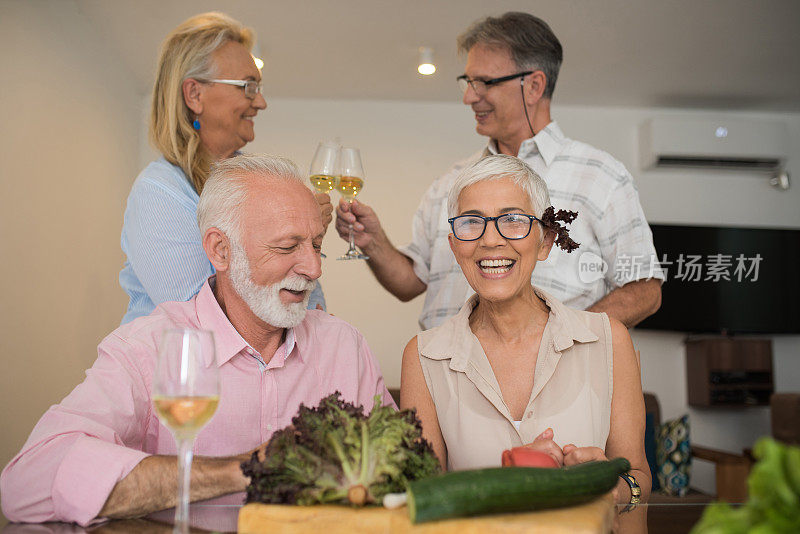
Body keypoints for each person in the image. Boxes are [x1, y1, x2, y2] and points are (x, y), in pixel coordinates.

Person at [1, 155, 393, 525]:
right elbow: (29, 483)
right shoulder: (149, 347)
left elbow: (403, 471)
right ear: (220, 251)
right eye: (288, 247)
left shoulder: (345, 346)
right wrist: (242, 469)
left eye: (317, 245)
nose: (313, 267)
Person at [336, 12, 662, 330]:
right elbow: (410, 283)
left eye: (483, 83)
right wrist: (373, 242)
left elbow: (645, 289)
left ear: (533, 86)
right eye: (468, 81)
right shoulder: (449, 183)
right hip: (446, 376)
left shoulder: (601, 176)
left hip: (553, 379)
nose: (468, 97)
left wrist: (565, 339)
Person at [400, 155, 650, 508]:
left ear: (545, 241)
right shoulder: (423, 357)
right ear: (455, 246)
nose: (490, 240)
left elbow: (637, 474)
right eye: (472, 223)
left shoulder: (609, 339)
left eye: (513, 220)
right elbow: (423, 501)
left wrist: (611, 489)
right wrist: (509, 483)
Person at [119, 12, 330, 324]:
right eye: (247, 86)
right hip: (174, 370)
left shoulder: (258, 184)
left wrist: (302, 239)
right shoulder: (158, 191)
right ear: (194, 94)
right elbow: (200, 316)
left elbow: (309, 313)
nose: (261, 103)